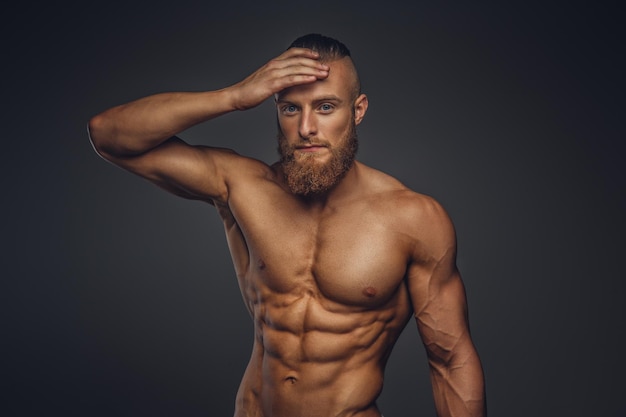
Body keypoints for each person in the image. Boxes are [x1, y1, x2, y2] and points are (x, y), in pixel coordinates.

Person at [88, 33, 486, 417]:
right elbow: (108, 134)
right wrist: (236, 96)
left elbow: (449, 361)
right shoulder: (243, 187)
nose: (307, 128)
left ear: (358, 110)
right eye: (290, 108)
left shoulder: (413, 218)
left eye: (326, 107)